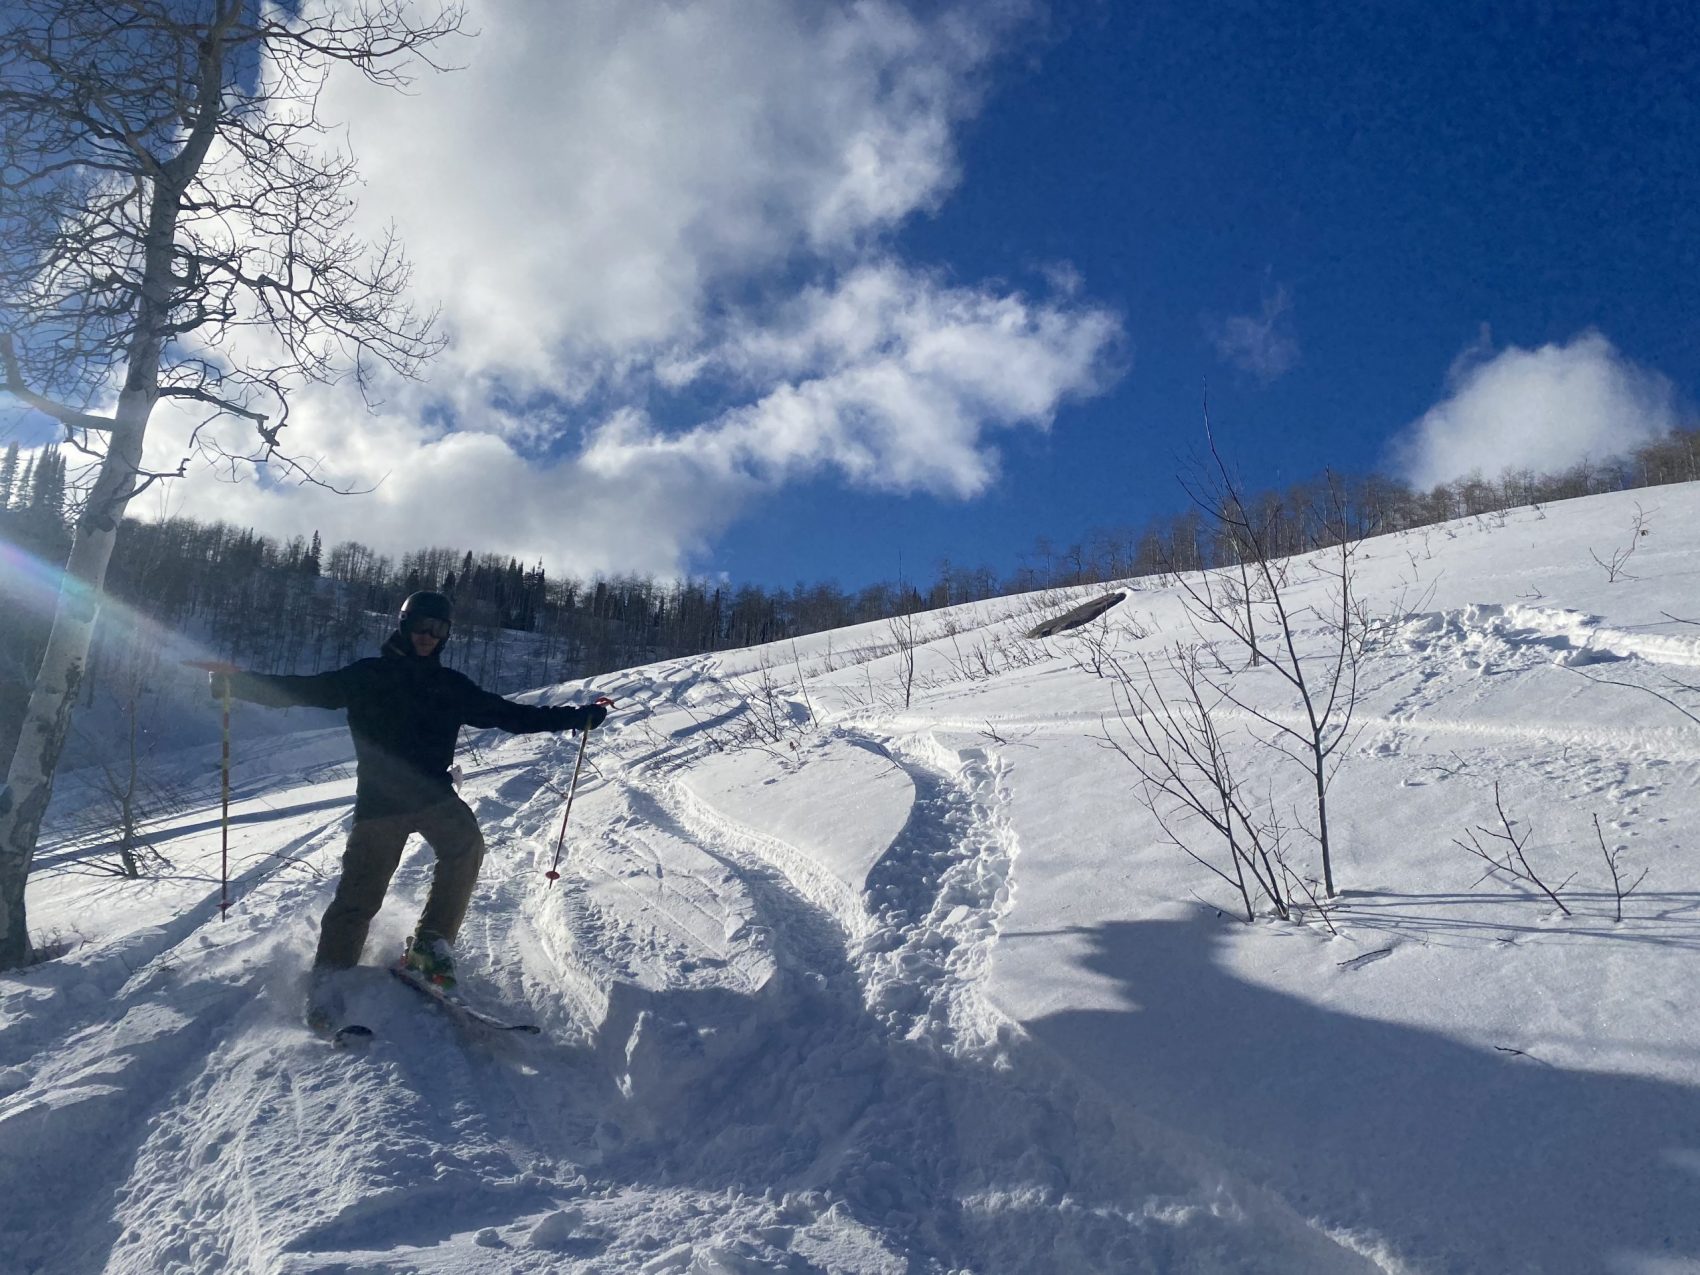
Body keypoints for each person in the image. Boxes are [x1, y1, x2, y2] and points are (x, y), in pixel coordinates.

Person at [208, 590, 609, 1028]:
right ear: (403, 625)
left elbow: (507, 714)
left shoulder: (450, 685)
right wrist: (238, 683)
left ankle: (430, 949)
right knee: (359, 897)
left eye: (439, 630)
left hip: (433, 797)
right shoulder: (367, 676)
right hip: (379, 804)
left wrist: (575, 717)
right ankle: (328, 981)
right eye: (421, 626)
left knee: (466, 845)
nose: (428, 636)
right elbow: (305, 690)